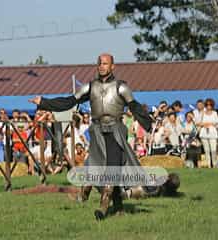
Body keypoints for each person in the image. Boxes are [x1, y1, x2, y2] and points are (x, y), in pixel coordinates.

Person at [29, 53, 152, 220]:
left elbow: (135, 106)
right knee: (97, 168)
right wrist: (44, 102)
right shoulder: (90, 87)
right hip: (97, 132)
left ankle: (103, 207)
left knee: (112, 169)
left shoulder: (121, 87)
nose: (102, 66)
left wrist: (148, 124)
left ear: (112, 66)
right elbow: (69, 102)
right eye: (100, 63)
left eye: (105, 63)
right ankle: (118, 207)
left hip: (115, 131)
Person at [198, 98, 218, 168]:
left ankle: (215, 164)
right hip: (204, 133)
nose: (208, 106)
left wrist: (211, 124)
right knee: (206, 150)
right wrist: (204, 124)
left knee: (213, 150)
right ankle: (209, 165)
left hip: (212, 133)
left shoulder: (215, 113)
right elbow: (198, 123)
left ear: (212, 105)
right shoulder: (202, 113)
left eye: (210, 105)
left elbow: (217, 124)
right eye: (207, 105)